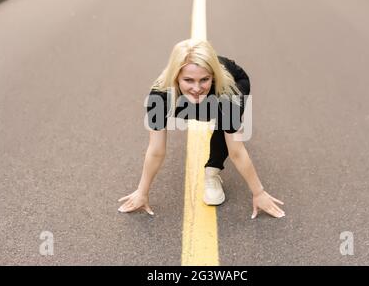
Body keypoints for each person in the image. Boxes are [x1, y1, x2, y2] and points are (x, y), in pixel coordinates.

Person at [118, 39, 285, 219]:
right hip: (187, 97)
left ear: (213, 76)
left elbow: (236, 151)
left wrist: (258, 193)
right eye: (188, 80)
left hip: (230, 85)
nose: (197, 88)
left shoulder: (229, 92)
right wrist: (142, 192)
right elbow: (156, 150)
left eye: (204, 79)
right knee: (209, 109)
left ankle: (212, 171)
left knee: (226, 122)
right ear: (175, 77)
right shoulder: (160, 95)